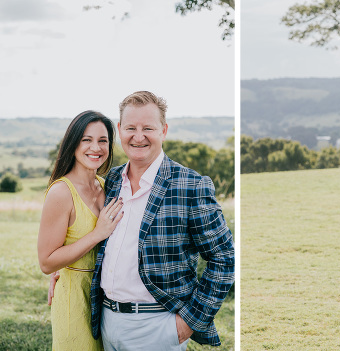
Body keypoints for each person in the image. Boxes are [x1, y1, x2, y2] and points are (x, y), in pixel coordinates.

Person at [88, 91, 234, 350]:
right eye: (131, 127)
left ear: (163, 130)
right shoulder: (110, 181)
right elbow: (94, 239)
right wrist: (62, 269)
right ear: (120, 130)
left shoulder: (191, 185)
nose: (138, 136)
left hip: (158, 325)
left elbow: (223, 257)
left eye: (148, 128)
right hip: (107, 323)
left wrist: (188, 322)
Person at [38, 111, 124, 350]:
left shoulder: (107, 187)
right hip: (74, 299)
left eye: (102, 140)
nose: (95, 147)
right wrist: (98, 233)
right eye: (86, 140)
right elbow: (46, 263)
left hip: (104, 298)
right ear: (73, 143)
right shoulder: (61, 193)